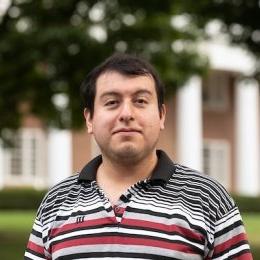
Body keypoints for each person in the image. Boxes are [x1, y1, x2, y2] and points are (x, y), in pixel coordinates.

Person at [25, 53, 252, 259]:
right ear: (89, 120)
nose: (126, 114)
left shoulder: (209, 199)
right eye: (112, 102)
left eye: (140, 101)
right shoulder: (55, 202)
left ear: (161, 115)